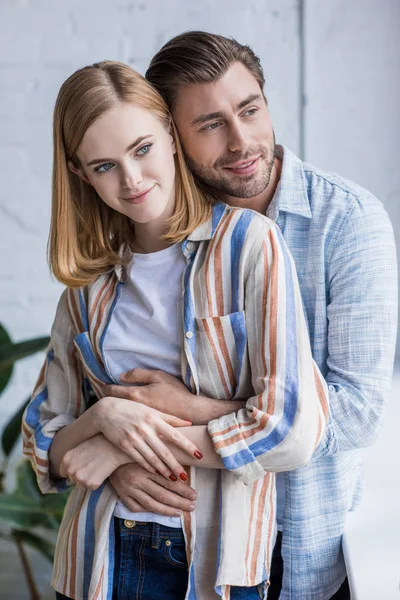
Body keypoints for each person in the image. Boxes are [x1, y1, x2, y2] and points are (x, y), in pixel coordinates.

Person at [104, 32, 398, 600]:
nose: (242, 141)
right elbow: (115, 391)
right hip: (181, 544)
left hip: (300, 547)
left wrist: (190, 409)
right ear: (171, 137)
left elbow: (358, 413)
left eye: (250, 109)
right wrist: (115, 452)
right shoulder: (156, 233)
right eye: (211, 124)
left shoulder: (349, 221)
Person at [21, 60, 329, 600]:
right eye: (104, 166)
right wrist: (105, 417)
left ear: (168, 133)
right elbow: (45, 435)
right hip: (98, 557)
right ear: (79, 174)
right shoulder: (88, 285)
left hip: (213, 562)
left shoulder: (250, 247)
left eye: (142, 149)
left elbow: (290, 428)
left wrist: (122, 449)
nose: (132, 180)